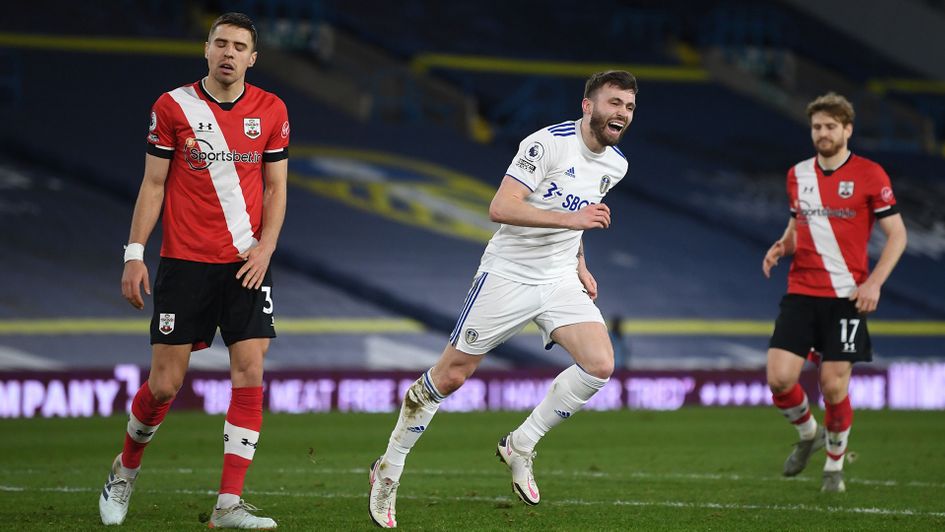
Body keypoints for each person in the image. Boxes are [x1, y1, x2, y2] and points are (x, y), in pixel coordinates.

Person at [368, 70, 637, 528]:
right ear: (588, 105)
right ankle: (388, 469)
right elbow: (501, 207)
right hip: (508, 274)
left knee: (600, 364)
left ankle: (521, 443)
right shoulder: (546, 144)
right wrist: (573, 221)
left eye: (629, 107)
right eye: (614, 103)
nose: (622, 114)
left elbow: (579, 216)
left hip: (557, 278)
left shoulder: (616, 165)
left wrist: (580, 264)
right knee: (450, 377)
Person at [99, 12, 289, 528]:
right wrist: (134, 253)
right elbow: (154, 185)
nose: (228, 53)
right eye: (220, 43)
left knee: (250, 370)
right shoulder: (173, 106)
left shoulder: (272, 110)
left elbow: (275, 188)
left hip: (247, 263)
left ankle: (228, 504)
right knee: (165, 384)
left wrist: (266, 248)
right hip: (184, 263)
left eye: (239, 46)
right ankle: (125, 469)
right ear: (206, 49)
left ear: (252, 57)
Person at [762, 92, 907, 493]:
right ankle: (809, 434)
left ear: (847, 130)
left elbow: (897, 234)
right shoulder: (798, 174)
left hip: (846, 296)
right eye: (816, 127)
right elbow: (797, 225)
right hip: (801, 290)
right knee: (779, 378)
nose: (822, 134)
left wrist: (874, 282)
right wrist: (782, 245)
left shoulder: (870, 174)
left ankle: (834, 468)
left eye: (830, 127)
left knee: (832, 385)